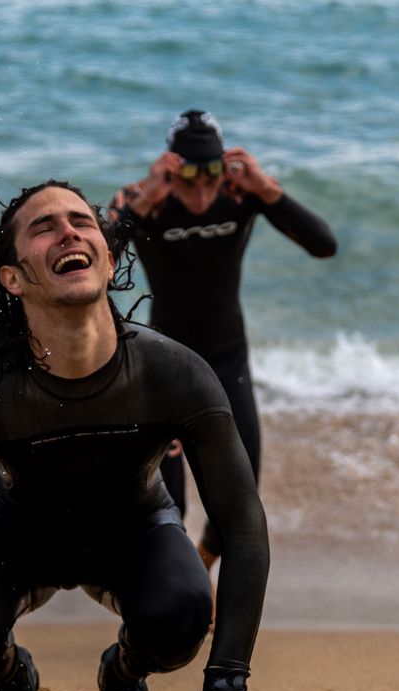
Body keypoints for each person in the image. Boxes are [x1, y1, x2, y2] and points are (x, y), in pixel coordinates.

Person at [0, 180, 274, 691]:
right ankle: (14, 673)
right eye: (43, 227)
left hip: (135, 531)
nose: (68, 231)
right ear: (13, 279)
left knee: (182, 617)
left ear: (109, 257)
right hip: (16, 534)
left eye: (82, 221)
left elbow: (242, 524)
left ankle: (123, 672)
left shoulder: (174, 375)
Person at [110, 109, 336, 570]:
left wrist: (267, 189)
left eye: (208, 182)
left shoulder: (241, 195)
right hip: (163, 365)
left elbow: (323, 244)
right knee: (166, 499)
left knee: (239, 493)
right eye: (189, 183)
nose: (199, 195)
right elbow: (98, 260)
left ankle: (199, 569)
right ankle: (173, 586)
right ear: (171, 167)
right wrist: (139, 204)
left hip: (227, 357)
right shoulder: (143, 200)